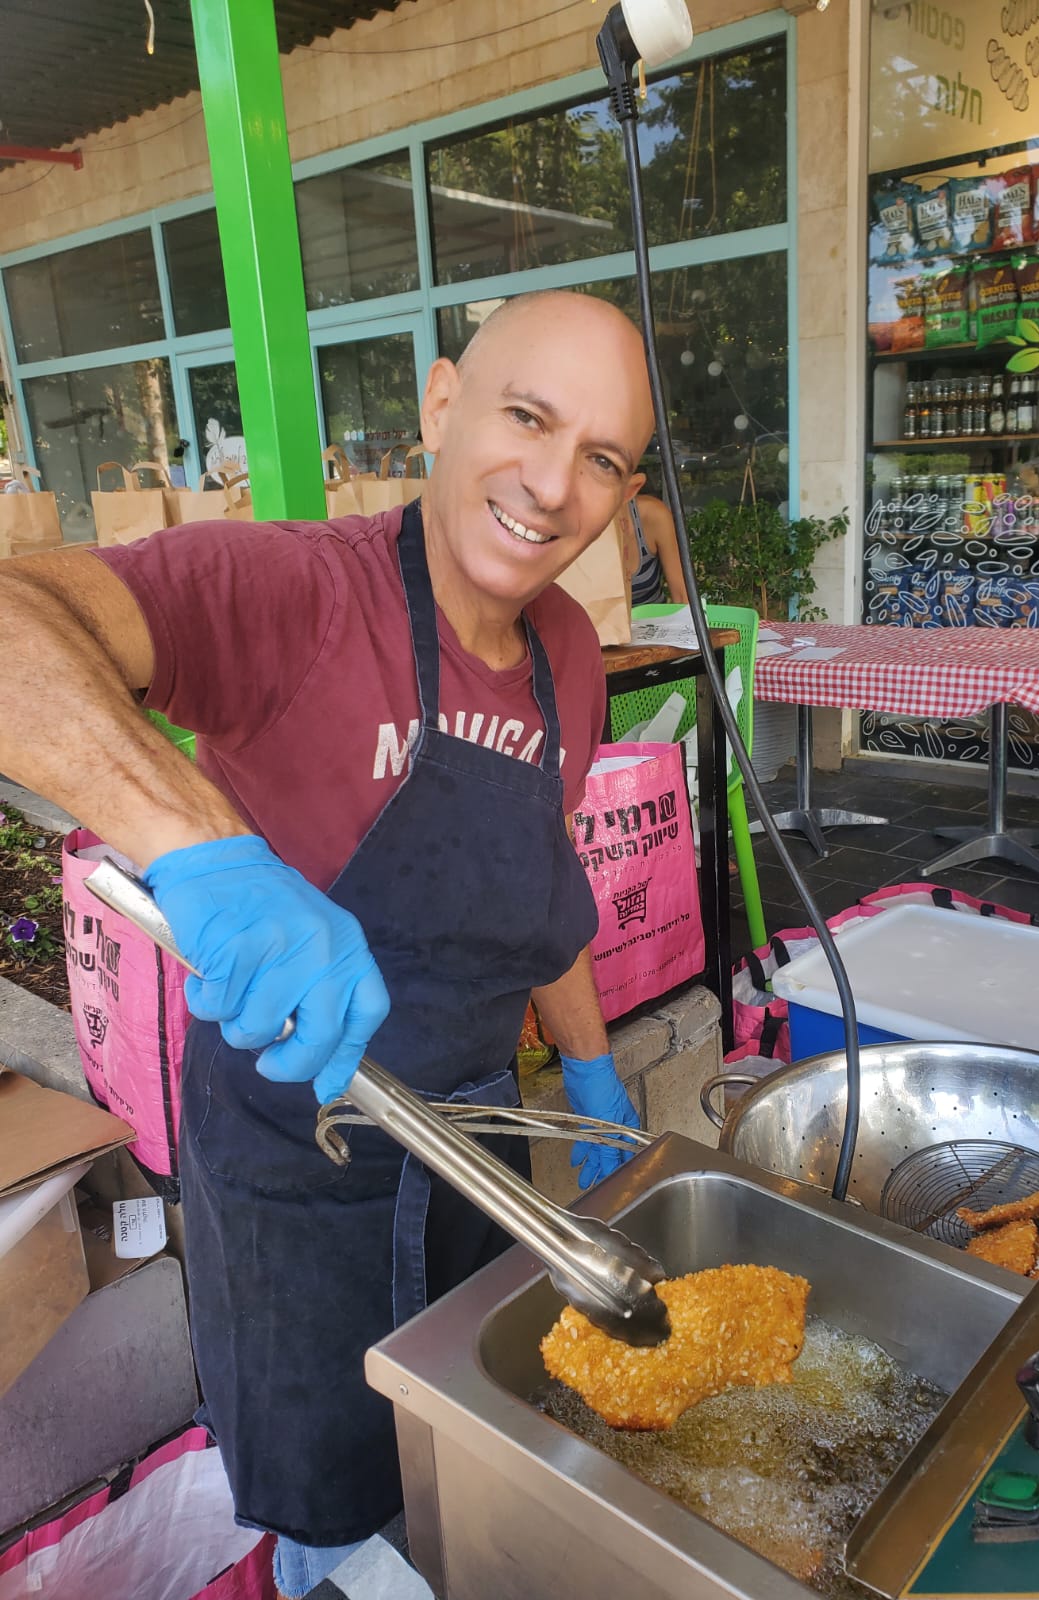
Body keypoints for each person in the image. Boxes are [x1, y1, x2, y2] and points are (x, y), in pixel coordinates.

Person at [0, 290, 656, 1598]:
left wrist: (590, 1086)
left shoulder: (569, 653)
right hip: (297, 1186)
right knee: (339, 1533)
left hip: (479, 1156)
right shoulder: (298, 590)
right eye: (528, 416)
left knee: (477, 1486)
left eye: (604, 458)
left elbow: (545, 890)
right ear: (440, 400)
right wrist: (194, 838)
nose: (553, 484)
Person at [619, 489, 687, 605]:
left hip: (654, 620)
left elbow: (682, 596)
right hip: (594, 622)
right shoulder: (579, 527)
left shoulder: (653, 515)